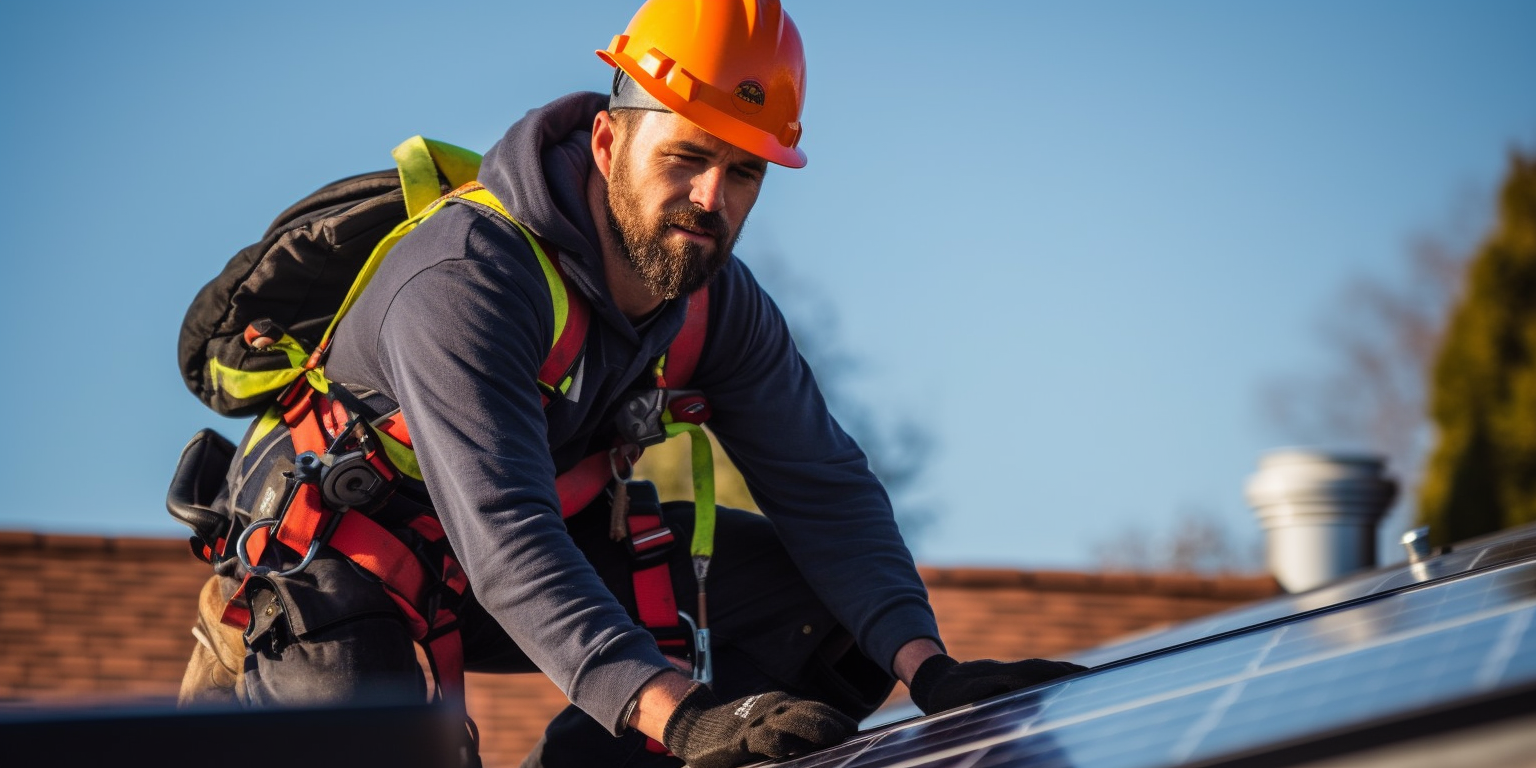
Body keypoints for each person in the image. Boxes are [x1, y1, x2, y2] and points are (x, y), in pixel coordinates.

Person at [179, 2, 1084, 766]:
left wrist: (933, 671)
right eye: (686, 157)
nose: (710, 198)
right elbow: (507, 536)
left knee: (829, 624)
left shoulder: (713, 301)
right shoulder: (464, 279)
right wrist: (680, 715)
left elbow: (827, 488)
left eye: (742, 173)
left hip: (523, 549)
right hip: (343, 561)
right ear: (609, 140)